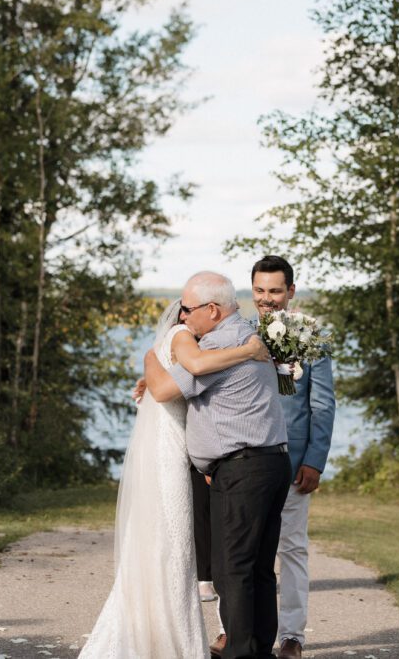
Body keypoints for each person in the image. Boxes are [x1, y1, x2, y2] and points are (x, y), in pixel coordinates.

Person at [79, 298, 269, 658]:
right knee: (177, 549)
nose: (193, 318)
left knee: (163, 544)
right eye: (189, 309)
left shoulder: (167, 346)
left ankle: (156, 632)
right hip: (172, 453)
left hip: (171, 450)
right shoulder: (183, 336)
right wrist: (248, 350)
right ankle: (172, 642)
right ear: (185, 313)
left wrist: (151, 369)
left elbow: (175, 380)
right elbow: (194, 367)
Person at [146, 272, 290, 659]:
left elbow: (162, 390)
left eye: (188, 309)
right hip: (271, 463)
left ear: (212, 310)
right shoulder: (244, 332)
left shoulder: (215, 347)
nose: (182, 317)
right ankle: (258, 650)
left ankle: (241, 653)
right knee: (258, 568)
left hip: (242, 470)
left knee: (232, 570)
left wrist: (150, 356)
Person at [202, 256, 336, 658]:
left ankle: (292, 635)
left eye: (275, 291)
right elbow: (214, 395)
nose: (266, 299)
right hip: (240, 463)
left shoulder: (312, 337)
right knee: (236, 550)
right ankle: (232, 629)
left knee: (291, 548)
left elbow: (323, 405)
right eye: (259, 291)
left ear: (290, 292)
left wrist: (314, 459)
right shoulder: (237, 335)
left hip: (292, 465)